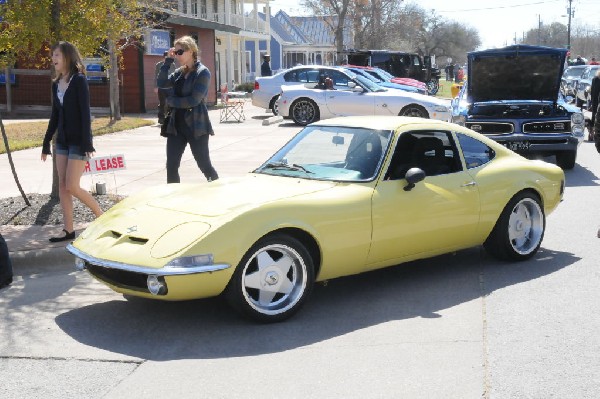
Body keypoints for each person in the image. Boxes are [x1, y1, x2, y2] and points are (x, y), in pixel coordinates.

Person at [41, 41, 103, 242]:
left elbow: (85, 113)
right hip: (62, 142)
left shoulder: (79, 80)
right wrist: (46, 142)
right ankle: (69, 230)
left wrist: (87, 142)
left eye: (57, 55)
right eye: (53, 55)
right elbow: (55, 115)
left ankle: (102, 218)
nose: (54, 59)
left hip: (78, 141)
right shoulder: (56, 83)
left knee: (72, 186)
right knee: (62, 187)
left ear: (67, 57)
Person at [157, 35, 219, 183]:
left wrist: (171, 101)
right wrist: (168, 61)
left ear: (191, 51)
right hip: (176, 126)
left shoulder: (203, 72)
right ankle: (174, 196)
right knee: (171, 165)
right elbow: (162, 83)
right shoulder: (179, 72)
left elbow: (194, 100)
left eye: (180, 52)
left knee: (204, 165)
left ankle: (219, 191)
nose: (177, 55)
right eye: (176, 52)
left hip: (196, 126)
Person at [154, 51, 176, 124]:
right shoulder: (159, 65)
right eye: (166, 57)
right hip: (161, 88)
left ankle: (170, 117)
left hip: (170, 87)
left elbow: (175, 76)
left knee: (170, 103)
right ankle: (161, 118)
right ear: (163, 57)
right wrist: (155, 86)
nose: (167, 58)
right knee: (162, 103)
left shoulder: (173, 65)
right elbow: (156, 76)